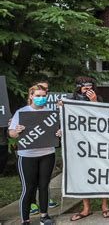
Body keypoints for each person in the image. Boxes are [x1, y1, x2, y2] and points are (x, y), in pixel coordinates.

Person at [9, 84, 58, 225]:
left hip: (48, 154)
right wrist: (16, 131)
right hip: (27, 156)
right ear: (31, 96)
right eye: (37, 96)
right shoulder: (21, 112)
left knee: (44, 186)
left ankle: (44, 216)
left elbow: (56, 132)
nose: (41, 98)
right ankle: (25, 220)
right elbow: (11, 133)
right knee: (28, 188)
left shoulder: (50, 112)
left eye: (43, 96)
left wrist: (59, 133)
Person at [69, 77, 109, 221]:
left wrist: (94, 101)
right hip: (79, 142)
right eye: (85, 88)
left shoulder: (98, 98)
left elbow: (104, 117)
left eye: (90, 88)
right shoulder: (72, 100)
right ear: (79, 88)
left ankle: (105, 206)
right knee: (83, 174)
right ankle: (86, 208)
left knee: (101, 172)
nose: (88, 91)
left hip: (97, 141)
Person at [28, 81, 59, 215]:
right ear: (32, 94)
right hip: (30, 153)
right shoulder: (25, 110)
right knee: (31, 182)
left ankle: (44, 209)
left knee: (44, 182)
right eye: (41, 92)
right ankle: (32, 203)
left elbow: (56, 126)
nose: (44, 95)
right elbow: (14, 131)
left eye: (46, 91)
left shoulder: (50, 110)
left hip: (47, 151)